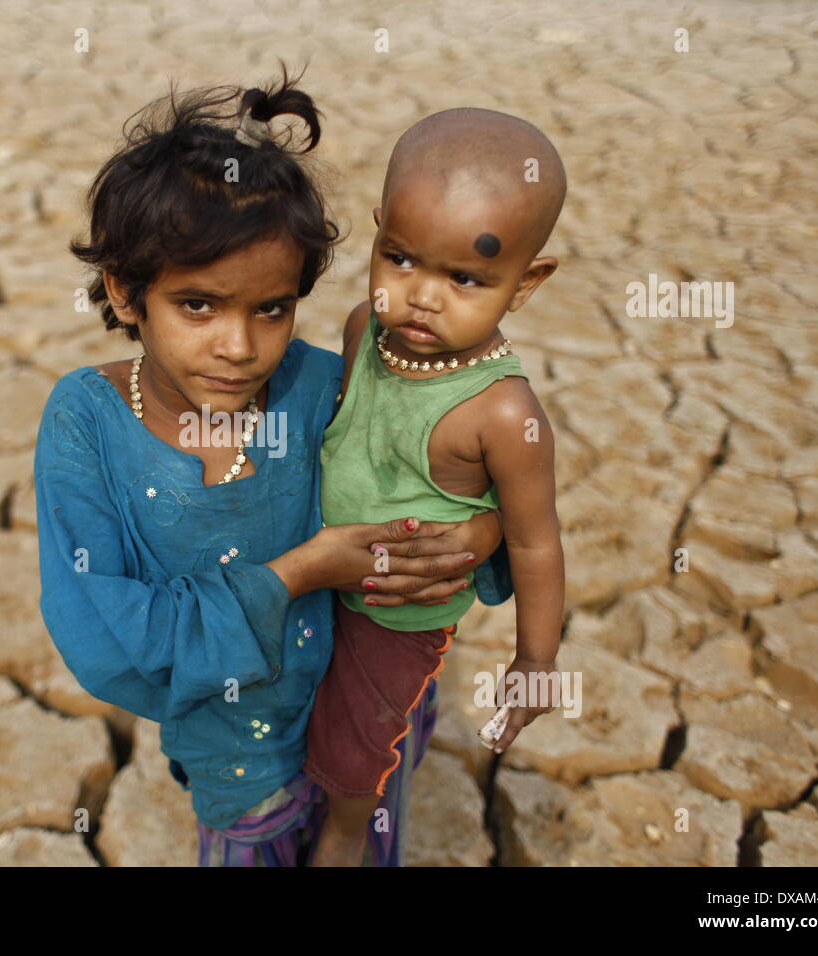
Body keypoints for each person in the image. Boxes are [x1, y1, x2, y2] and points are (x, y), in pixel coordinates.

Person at [35, 66, 514, 867]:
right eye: (198, 305)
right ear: (125, 292)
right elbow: (111, 639)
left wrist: (481, 533)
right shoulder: (88, 423)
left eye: (272, 308)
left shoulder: (323, 387)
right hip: (238, 760)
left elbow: (465, 489)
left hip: (362, 727)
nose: (240, 346)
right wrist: (299, 573)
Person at [303, 108, 568, 866]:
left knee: (356, 747)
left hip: (399, 612)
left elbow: (535, 539)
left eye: (465, 278)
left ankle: (345, 836)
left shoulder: (502, 410)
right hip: (324, 576)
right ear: (380, 233)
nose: (422, 295)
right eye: (402, 259)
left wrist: (536, 662)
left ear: (526, 283)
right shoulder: (363, 330)